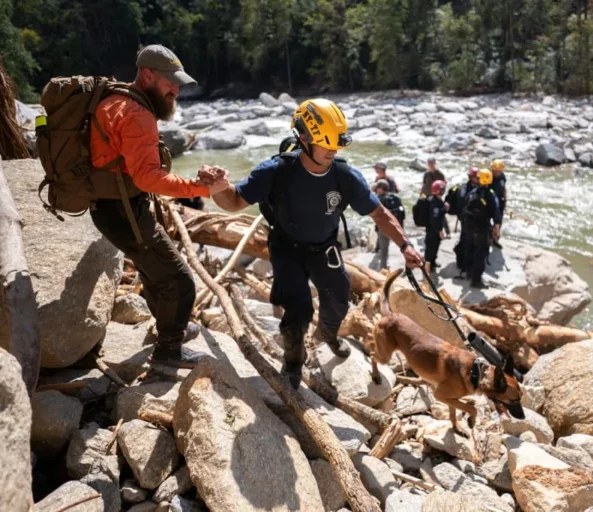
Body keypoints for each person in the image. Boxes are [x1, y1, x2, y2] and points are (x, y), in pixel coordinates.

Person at [199, 98, 424, 388]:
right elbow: (234, 201)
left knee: (338, 300)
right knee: (298, 310)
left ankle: (327, 335)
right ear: (303, 139)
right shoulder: (275, 171)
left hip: (324, 248)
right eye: (326, 145)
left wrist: (405, 246)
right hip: (287, 247)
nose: (333, 151)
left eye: (336, 146)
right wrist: (218, 188)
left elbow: (379, 213)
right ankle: (293, 363)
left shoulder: (344, 176)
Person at [88, 45, 215, 368]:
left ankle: (169, 329)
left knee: (154, 267)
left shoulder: (115, 100)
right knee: (180, 280)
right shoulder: (137, 114)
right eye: (170, 82)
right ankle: (168, 353)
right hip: (124, 210)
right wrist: (202, 188)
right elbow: (147, 179)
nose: (176, 89)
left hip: (109, 207)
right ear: (147, 75)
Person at [462, 169, 501, 289]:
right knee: (481, 252)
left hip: (469, 227)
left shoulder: (473, 192)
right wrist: (496, 227)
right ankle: (476, 280)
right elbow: (496, 211)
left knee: (471, 249)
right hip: (482, 228)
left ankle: (468, 272)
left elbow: (465, 206)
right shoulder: (491, 194)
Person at [446, 167, 479, 275]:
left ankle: (467, 263)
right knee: (466, 241)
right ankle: (464, 264)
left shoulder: (477, 187)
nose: (478, 178)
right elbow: (463, 205)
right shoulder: (464, 189)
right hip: (466, 219)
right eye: (476, 177)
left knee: (469, 241)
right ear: (471, 177)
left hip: (472, 220)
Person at [374, 180, 405, 269]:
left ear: (380, 189)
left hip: (383, 228)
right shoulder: (396, 198)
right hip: (396, 227)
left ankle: (383, 268)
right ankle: (410, 263)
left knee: (384, 250)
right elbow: (402, 214)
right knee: (404, 246)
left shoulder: (378, 200)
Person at [424, 180, 447, 274]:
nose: (443, 190)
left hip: (434, 230)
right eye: (441, 189)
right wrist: (440, 231)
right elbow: (435, 219)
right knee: (430, 248)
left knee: (435, 247)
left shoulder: (437, 200)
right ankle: (427, 266)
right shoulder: (435, 203)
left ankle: (432, 263)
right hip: (433, 230)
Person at [490, 159, 506, 248]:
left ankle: (495, 239)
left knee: (499, 222)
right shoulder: (488, 177)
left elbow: (504, 188)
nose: (497, 173)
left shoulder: (502, 177)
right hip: (489, 202)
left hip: (499, 202)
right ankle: (488, 237)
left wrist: (505, 200)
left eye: (499, 171)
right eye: (495, 171)